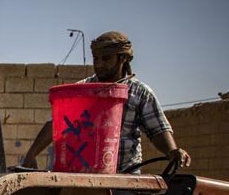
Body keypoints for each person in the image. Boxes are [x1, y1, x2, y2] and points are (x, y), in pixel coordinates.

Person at [22, 31, 191, 174]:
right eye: (96, 59)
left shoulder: (140, 93)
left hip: (124, 178)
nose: (99, 64)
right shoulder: (83, 90)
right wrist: (31, 154)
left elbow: (158, 130)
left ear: (123, 58)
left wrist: (172, 151)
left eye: (106, 59)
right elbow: (57, 124)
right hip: (85, 176)